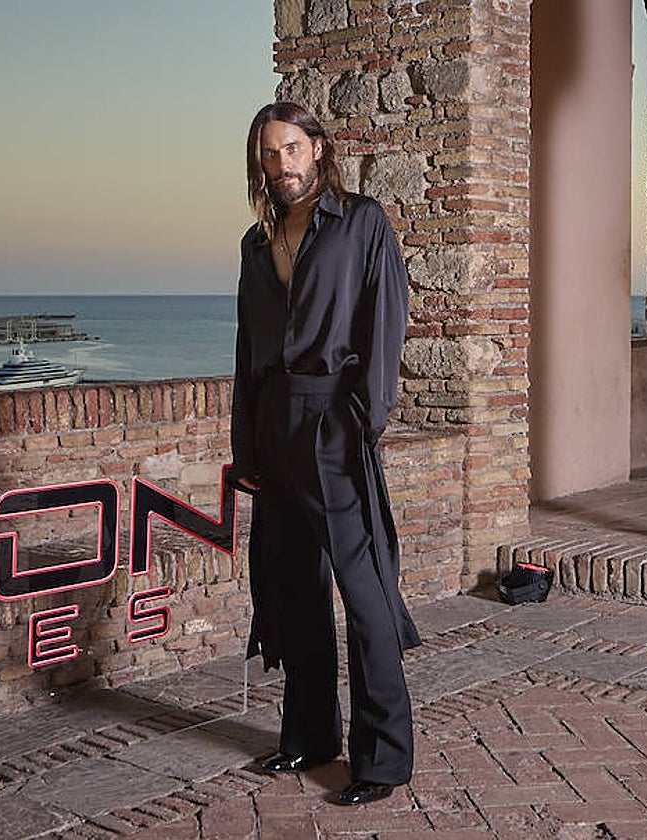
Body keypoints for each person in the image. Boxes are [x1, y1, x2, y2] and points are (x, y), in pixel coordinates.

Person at [230, 101, 421, 807]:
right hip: (274, 426)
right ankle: (311, 736)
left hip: (333, 422)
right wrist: (245, 444)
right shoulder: (256, 243)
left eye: (291, 148)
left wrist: (359, 420)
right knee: (292, 588)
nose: (281, 164)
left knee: (364, 592)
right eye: (269, 153)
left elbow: (386, 319)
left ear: (317, 147)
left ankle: (385, 757)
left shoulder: (361, 222)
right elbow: (248, 349)